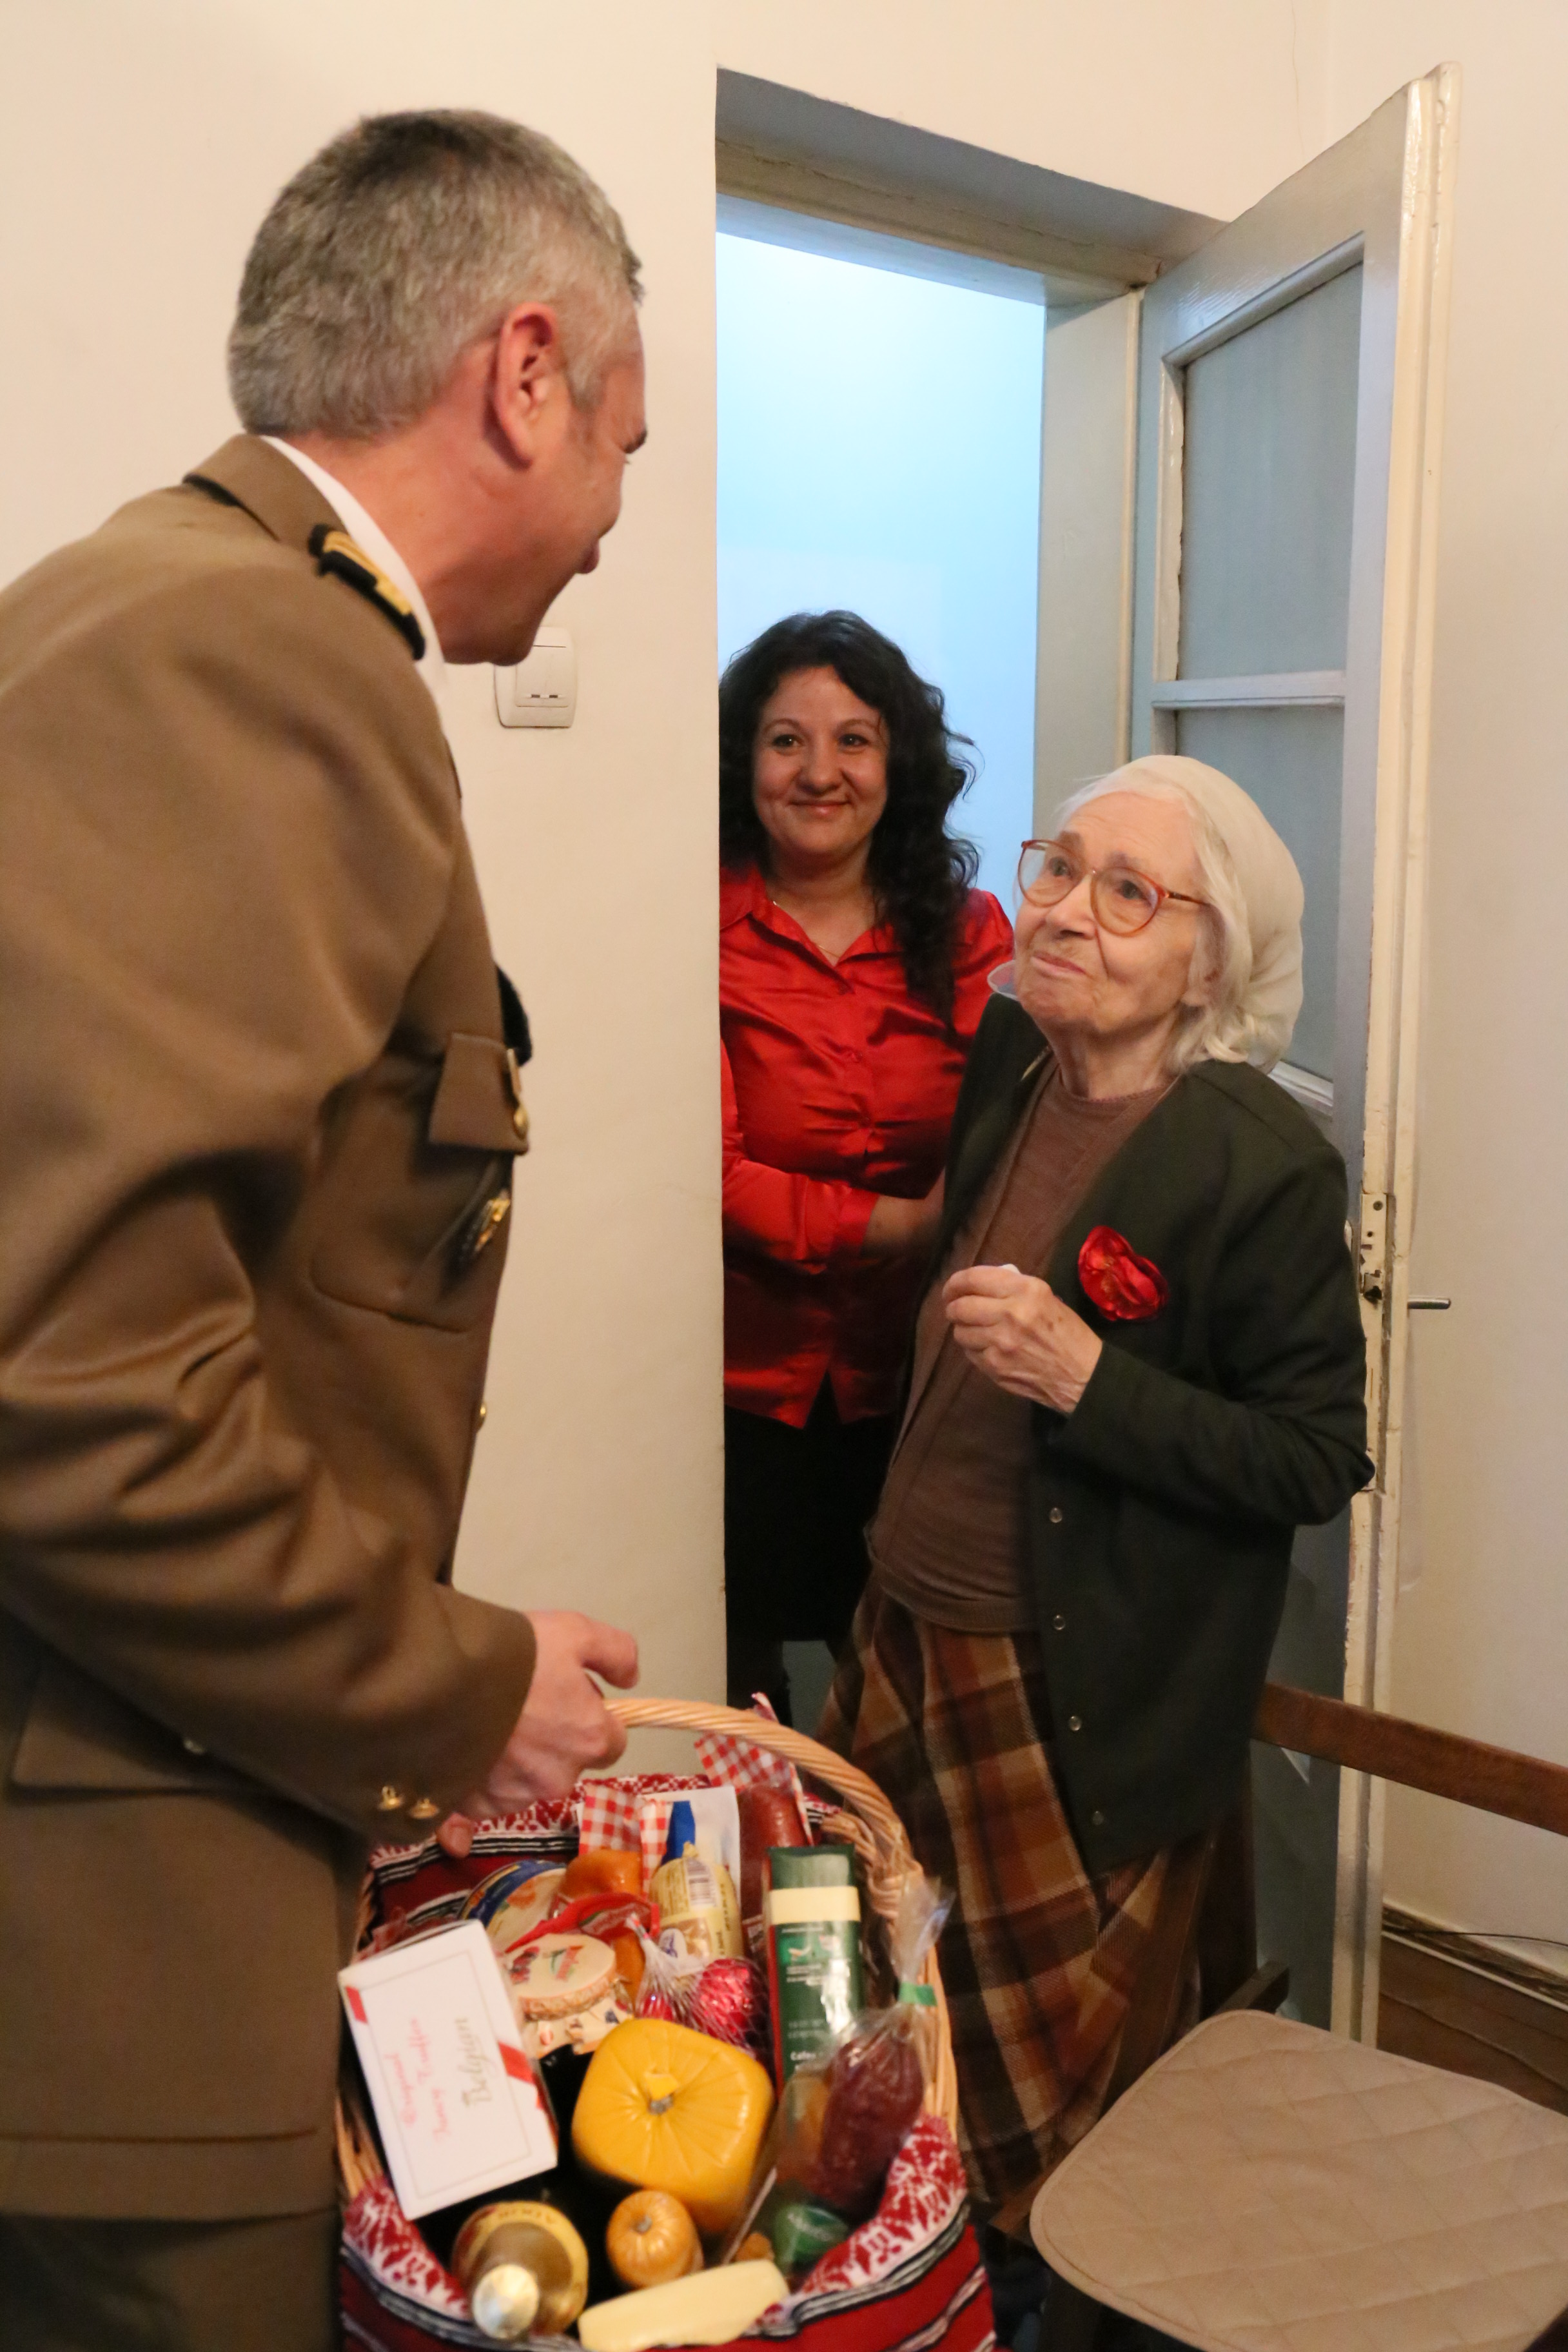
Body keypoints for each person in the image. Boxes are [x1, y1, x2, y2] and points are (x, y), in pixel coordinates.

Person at [0, 112, 648, 2350]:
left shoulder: (173, 608)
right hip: (111, 1938)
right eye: (628, 445)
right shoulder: (254, 653)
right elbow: (72, 1385)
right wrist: (458, 1690)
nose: (617, 528)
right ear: (527, 371)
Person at [820, 754, 1371, 2237]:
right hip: (905, 1616)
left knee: (1016, 2112)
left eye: (1126, 893)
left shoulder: (1259, 1167)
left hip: (1066, 1685)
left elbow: (1317, 1458)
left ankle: (1011, 2303)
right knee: (871, 2017)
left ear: (1211, 961)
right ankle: (896, 2291)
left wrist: (1087, 1379)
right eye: (1057, 868)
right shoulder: (1013, 1059)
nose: (1063, 912)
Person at [719, 612, 1014, 1715]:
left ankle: (889, 1890)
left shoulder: (976, 932)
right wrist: (903, 1226)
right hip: (733, 1383)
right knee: (728, 1685)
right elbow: (712, 1171)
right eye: (786, 740)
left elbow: (1015, 1122)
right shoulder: (688, 926)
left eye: (855, 739)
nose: (820, 771)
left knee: (902, 1690)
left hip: (923, 1382)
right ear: (743, 761)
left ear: (900, 764)